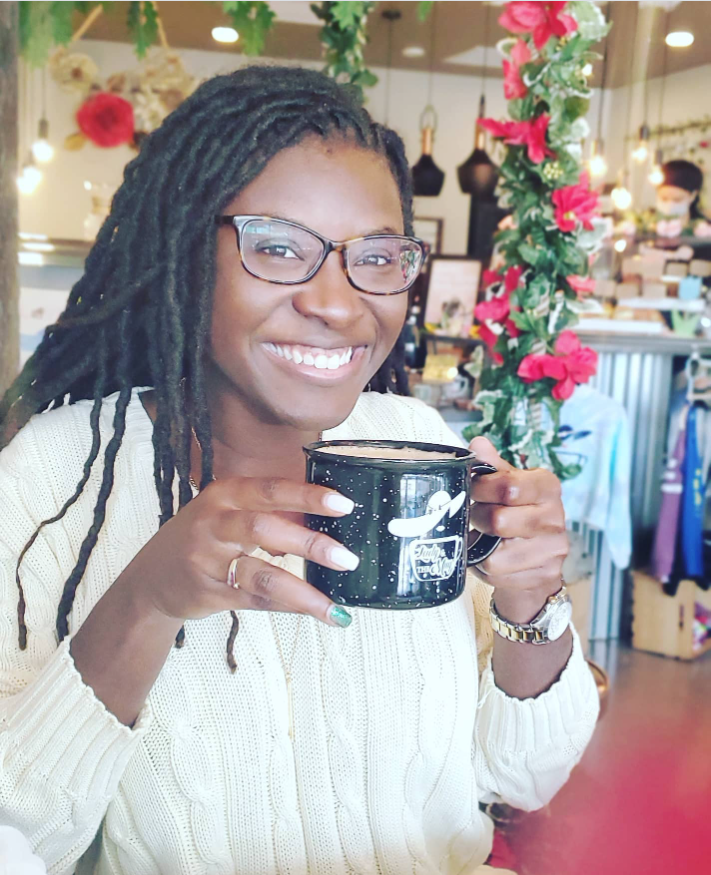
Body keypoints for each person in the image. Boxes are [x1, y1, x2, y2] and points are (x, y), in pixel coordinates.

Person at [0, 66, 599, 875]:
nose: (341, 303)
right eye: (277, 247)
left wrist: (533, 601)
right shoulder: (54, 475)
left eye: (379, 258)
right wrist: (143, 601)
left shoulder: (417, 444)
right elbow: (23, 839)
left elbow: (522, 775)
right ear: (183, 246)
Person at [655, 159, 711, 239]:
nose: (670, 204)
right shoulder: (646, 226)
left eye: (677, 200)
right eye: (664, 198)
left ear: (693, 196)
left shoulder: (705, 229)